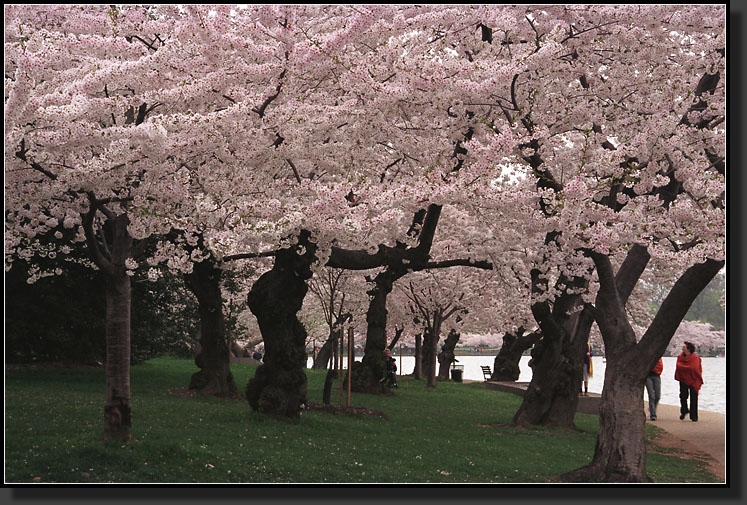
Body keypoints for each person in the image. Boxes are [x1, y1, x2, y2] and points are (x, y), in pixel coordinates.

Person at [675, 341, 703, 422]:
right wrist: (684, 368)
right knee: (683, 396)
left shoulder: (695, 358)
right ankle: (684, 410)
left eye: (684, 347)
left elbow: (694, 368)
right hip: (683, 379)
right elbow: (678, 366)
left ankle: (694, 416)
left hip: (694, 379)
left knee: (694, 398)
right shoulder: (680, 357)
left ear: (688, 349)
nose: (682, 348)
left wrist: (683, 367)